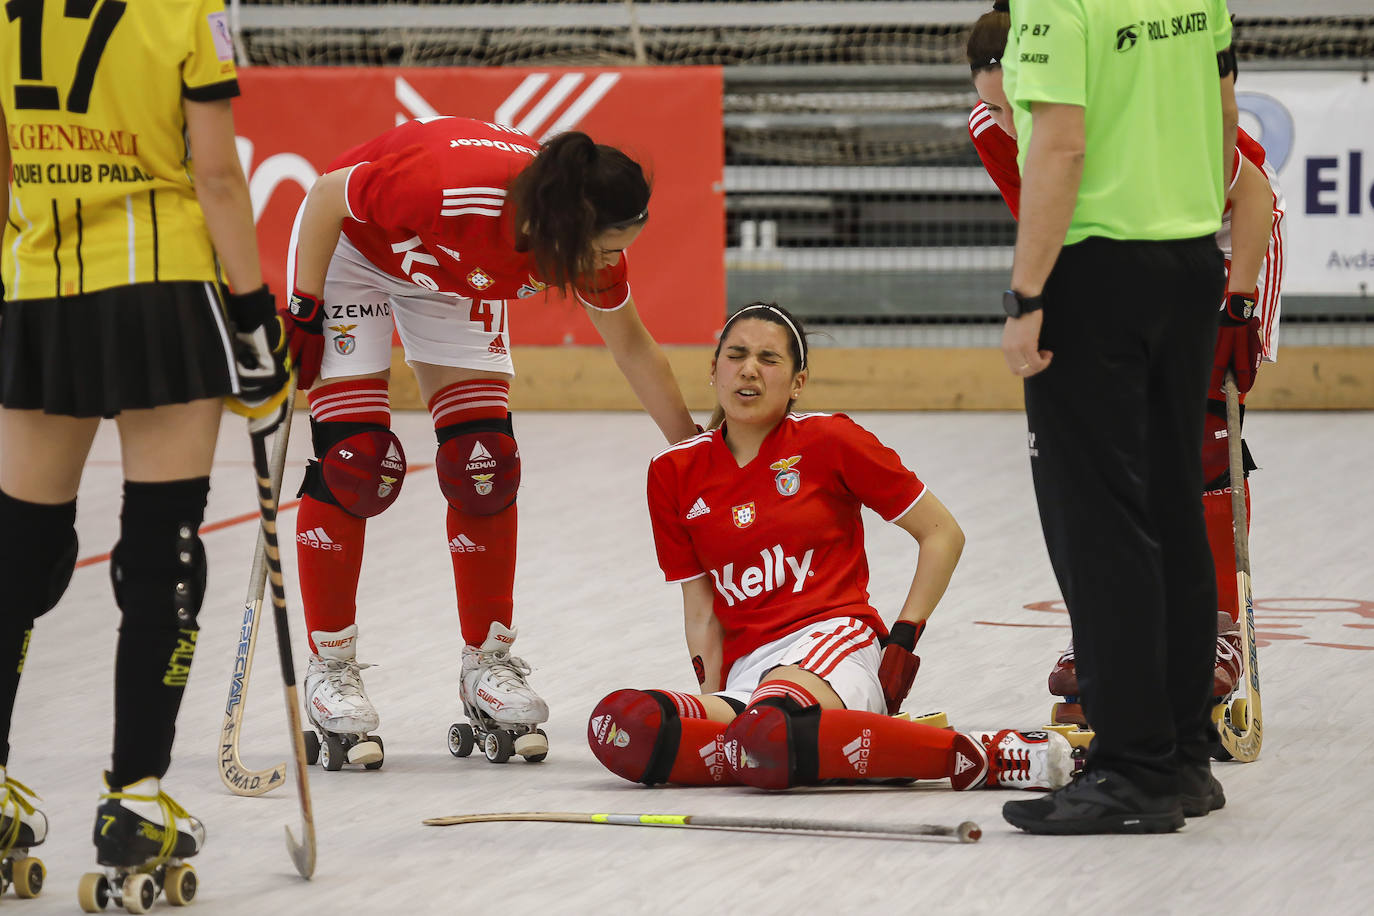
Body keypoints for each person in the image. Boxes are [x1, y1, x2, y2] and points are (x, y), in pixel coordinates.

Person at [281, 117, 697, 769]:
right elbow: (328, 194)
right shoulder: (450, 189)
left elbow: (634, 349)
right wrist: (305, 308)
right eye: (606, 248)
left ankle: (487, 664)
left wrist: (693, 451)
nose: (611, 263)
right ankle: (330, 667)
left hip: (450, 277)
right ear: (566, 224)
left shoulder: (583, 241)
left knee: (484, 464)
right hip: (355, 254)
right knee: (354, 463)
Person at [0, 0, 288, 899]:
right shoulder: (188, 8)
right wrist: (255, 320)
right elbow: (219, 176)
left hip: (37, 284)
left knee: (18, 551)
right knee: (163, 545)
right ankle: (134, 799)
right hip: (159, 288)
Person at [587, 302, 1074, 792]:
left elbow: (942, 533)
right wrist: (714, 705)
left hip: (834, 643)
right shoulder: (672, 471)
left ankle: (985, 754)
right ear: (713, 370)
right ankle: (801, 748)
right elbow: (700, 610)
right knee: (625, 724)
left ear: (797, 382)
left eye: (769, 359)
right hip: (750, 673)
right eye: (736, 355)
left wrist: (902, 640)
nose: (749, 369)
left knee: (767, 728)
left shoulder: (831, 439)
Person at [965, 1, 1285, 731]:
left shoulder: (1111, 90)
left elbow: (1254, 193)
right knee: (1118, 454)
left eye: (1019, 105)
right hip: (1125, 247)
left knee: (1203, 438)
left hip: (1228, 233)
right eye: (998, 106)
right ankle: (1115, 632)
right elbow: (1048, 211)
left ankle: (1218, 633)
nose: (1010, 121)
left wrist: (1237, 303)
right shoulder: (992, 127)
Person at [993, 0, 1240, 834]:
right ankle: (1181, 755)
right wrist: (1189, 226)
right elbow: (1224, 112)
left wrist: (1027, 294)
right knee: (1173, 507)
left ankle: (1133, 767)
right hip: (1189, 259)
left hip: (1094, 269)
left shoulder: (1057, 4)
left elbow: (1061, 145)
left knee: (1100, 522)